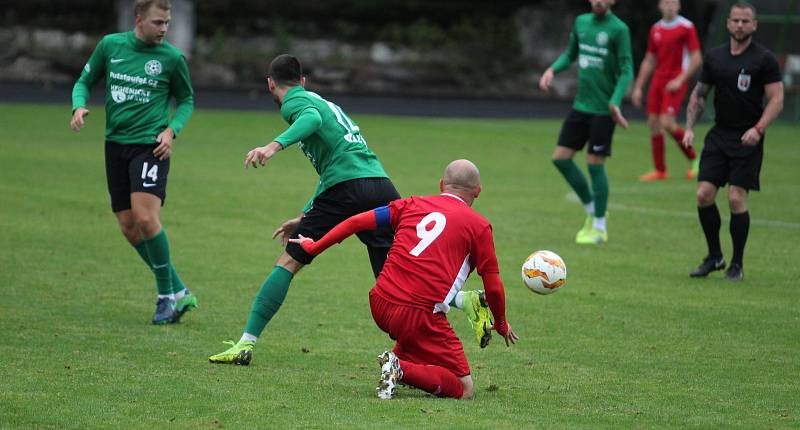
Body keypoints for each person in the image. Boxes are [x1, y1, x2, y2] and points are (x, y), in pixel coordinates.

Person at [208, 55, 492, 365]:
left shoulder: (293, 102)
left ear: (271, 84)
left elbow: (312, 123)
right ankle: (465, 302)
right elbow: (334, 160)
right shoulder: (322, 102)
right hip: (378, 184)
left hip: (346, 188)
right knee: (397, 281)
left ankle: (245, 345)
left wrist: (272, 147)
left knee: (288, 261)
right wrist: (305, 215)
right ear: (304, 79)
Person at [290, 160, 519, 400]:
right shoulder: (479, 227)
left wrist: (314, 246)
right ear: (478, 191)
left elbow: (356, 221)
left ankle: (398, 364)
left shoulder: (411, 204)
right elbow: (493, 286)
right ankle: (399, 370)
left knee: (414, 343)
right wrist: (501, 323)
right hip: (418, 313)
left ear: (441, 185)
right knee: (464, 389)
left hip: (380, 301)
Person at [70, 0, 197, 325]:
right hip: (115, 145)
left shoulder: (171, 57)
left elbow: (185, 100)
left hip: (150, 146)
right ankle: (181, 292)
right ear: (139, 20)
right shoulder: (111, 46)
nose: (164, 29)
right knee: (127, 226)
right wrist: (79, 106)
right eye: (158, 23)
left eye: (167, 23)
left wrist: (171, 131)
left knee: (145, 217)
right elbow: (84, 81)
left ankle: (166, 297)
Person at [683, 1, 784, 282]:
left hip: (747, 137)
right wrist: (689, 128)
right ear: (728, 23)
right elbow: (699, 94)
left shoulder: (764, 59)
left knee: (736, 197)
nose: (740, 25)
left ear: (754, 25)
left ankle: (737, 265)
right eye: (735, 20)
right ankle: (715, 256)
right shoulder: (715, 57)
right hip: (719, 134)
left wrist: (759, 129)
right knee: (703, 194)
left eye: (745, 21)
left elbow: (777, 99)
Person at [539, 0, 633, 245]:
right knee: (560, 158)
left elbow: (626, 69)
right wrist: (552, 69)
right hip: (581, 106)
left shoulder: (619, 29)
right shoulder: (581, 22)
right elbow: (571, 53)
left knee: (595, 164)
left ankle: (600, 227)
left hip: (604, 110)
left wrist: (615, 101)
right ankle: (592, 208)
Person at [632, 0, 702, 182]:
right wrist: (638, 87)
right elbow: (649, 59)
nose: (670, 5)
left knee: (667, 123)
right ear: (660, 6)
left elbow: (696, 58)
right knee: (654, 123)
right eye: (667, 2)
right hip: (658, 80)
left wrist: (680, 80)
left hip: (675, 79)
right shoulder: (655, 29)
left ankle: (696, 159)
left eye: (674, 2)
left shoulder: (686, 27)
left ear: (679, 6)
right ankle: (660, 170)